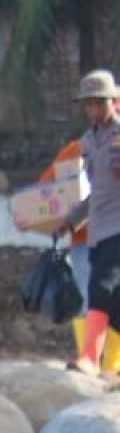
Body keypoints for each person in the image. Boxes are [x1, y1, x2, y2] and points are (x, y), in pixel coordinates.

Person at [64, 70, 120, 377]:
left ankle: (89, 358)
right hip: (98, 230)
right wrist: (72, 220)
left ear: (113, 101)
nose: (94, 110)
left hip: (119, 230)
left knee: (99, 286)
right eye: (89, 105)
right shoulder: (88, 141)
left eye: (99, 103)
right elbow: (96, 191)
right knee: (114, 305)